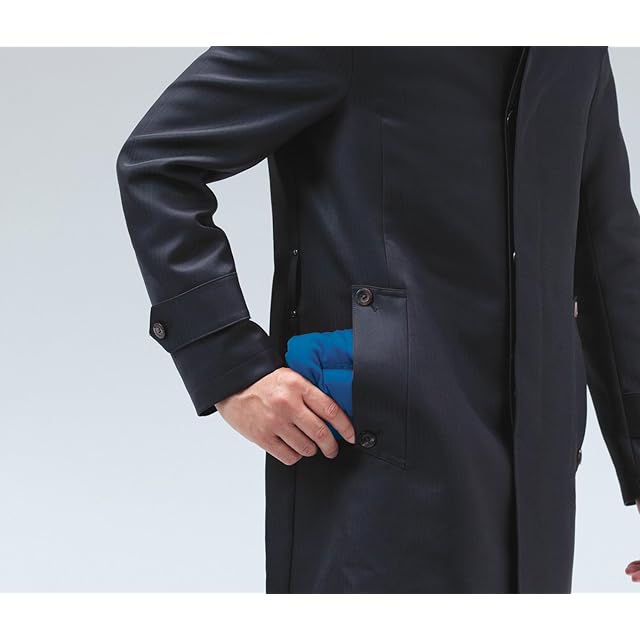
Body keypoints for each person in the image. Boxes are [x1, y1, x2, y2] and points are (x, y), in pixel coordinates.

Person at [116, 46, 640, 593]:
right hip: (380, 468)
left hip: (537, 488)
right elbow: (157, 162)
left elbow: (607, 247)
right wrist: (230, 366)